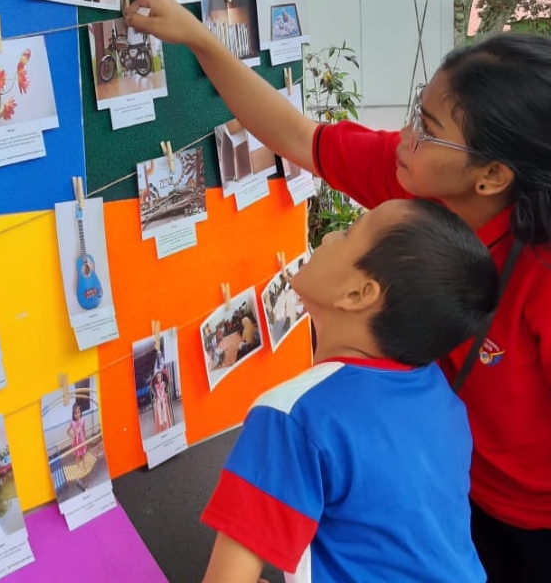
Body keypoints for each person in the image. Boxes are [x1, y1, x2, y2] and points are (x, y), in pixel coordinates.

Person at [100, 0, 551, 583]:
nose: (406, 137)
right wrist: (200, 37)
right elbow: (294, 134)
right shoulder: (416, 185)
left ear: (491, 176)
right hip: (474, 501)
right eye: (419, 111)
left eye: (430, 130)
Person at [201, 198, 497, 582]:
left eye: (348, 233)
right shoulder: (438, 395)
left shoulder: (293, 416)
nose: (326, 239)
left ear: (358, 294)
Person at [67, 402, 88, 492]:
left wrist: (85, 435)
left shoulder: (83, 419)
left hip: (82, 441)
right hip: (76, 442)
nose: (77, 414)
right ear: (73, 414)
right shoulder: (72, 423)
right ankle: (78, 467)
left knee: (83, 454)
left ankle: (84, 464)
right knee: (77, 456)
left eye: (79, 412)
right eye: (75, 413)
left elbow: (84, 429)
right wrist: (72, 435)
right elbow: (67, 431)